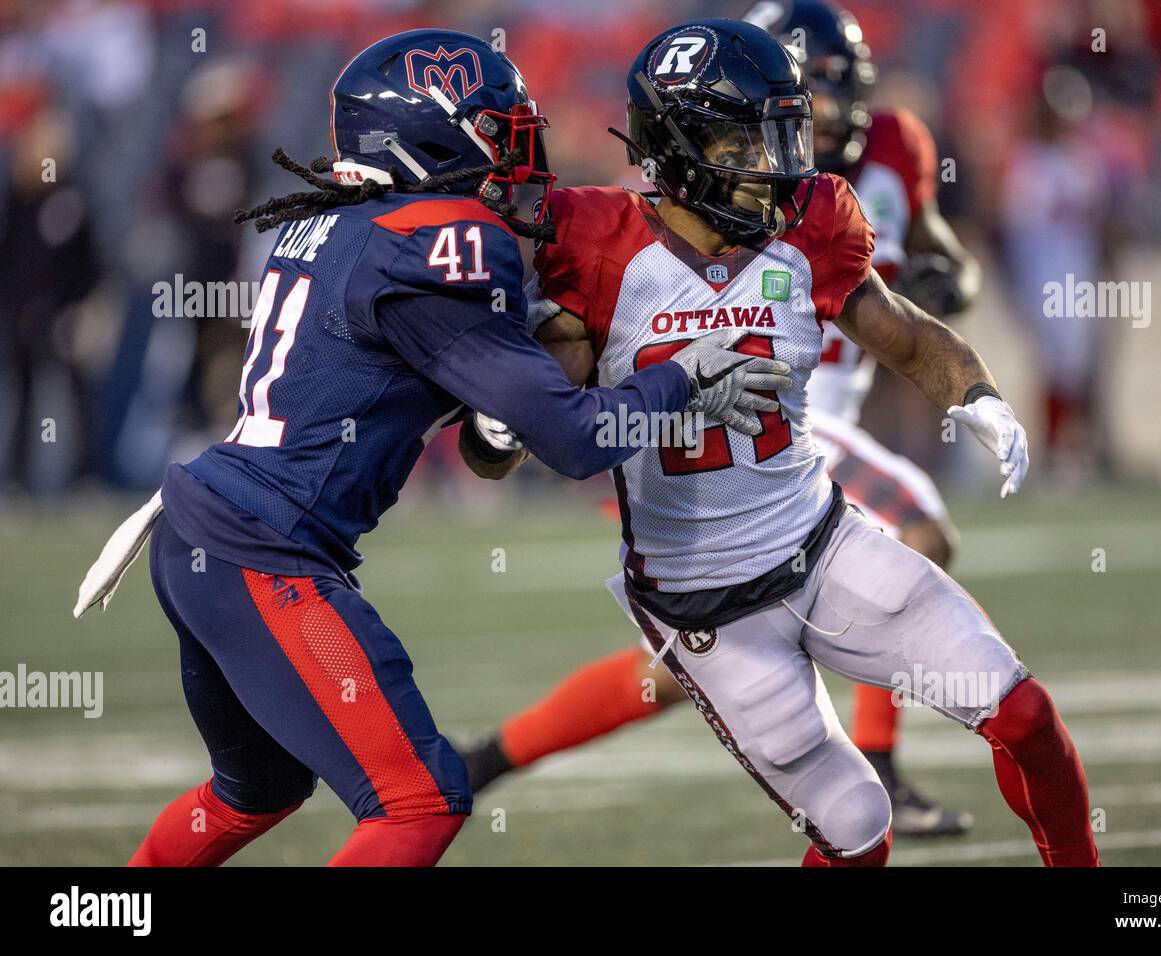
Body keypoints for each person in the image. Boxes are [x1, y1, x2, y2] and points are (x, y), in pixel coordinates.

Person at [72, 28, 785, 867]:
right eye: (503, 137)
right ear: (431, 135)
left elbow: (407, 379)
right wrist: (685, 376)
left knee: (255, 791)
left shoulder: (334, 222)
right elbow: (577, 439)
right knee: (420, 802)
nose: (523, 163)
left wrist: (501, 386)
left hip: (204, 526)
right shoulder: (440, 239)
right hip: (264, 552)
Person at [462, 18, 1097, 867]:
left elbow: (906, 334)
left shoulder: (810, 223)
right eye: (746, 141)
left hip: (823, 542)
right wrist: (502, 408)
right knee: (856, 831)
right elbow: (511, 443)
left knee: (1024, 714)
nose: (778, 164)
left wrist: (974, 394)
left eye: (781, 136)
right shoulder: (597, 246)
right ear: (681, 148)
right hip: (706, 609)